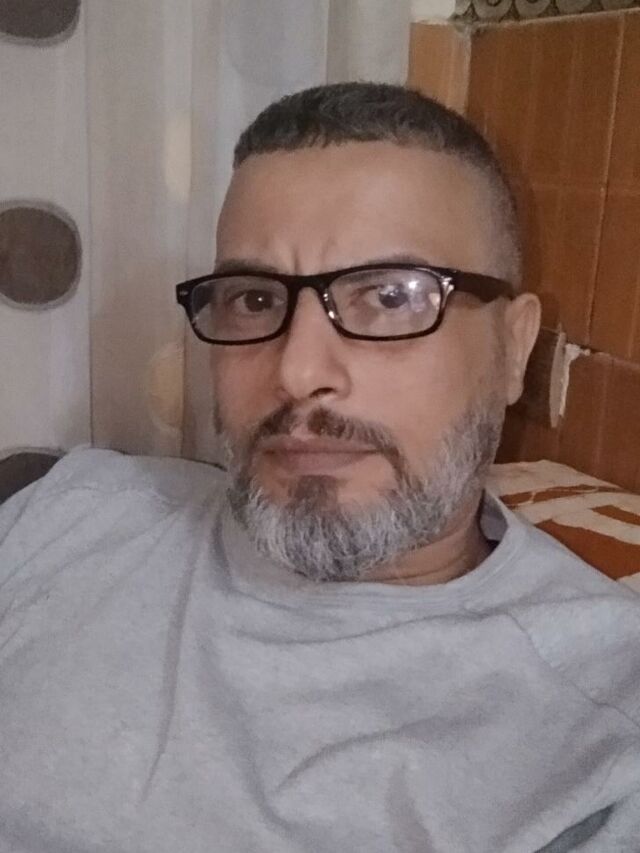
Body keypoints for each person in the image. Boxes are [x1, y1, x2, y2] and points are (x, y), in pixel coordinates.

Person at [0, 83, 638, 853]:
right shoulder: (71, 513)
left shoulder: (600, 734)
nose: (298, 371)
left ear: (513, 348)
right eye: (253, 299)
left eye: (390, 296)